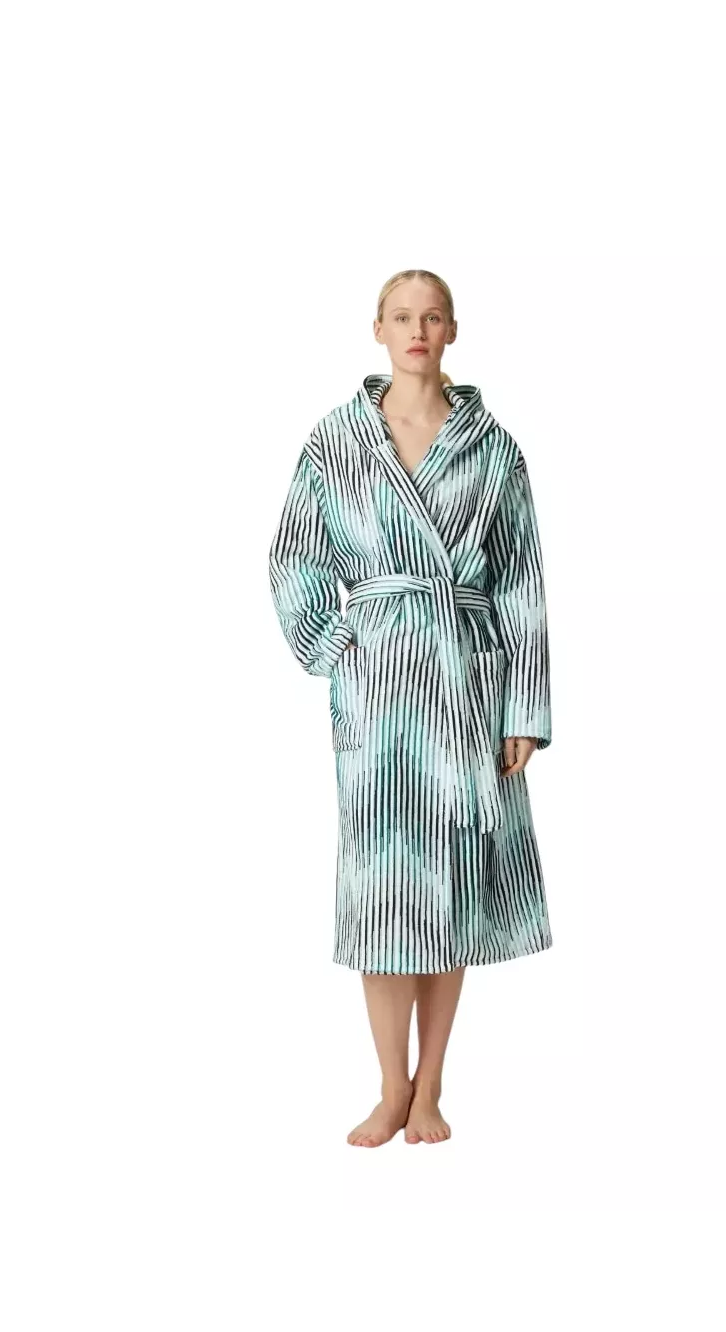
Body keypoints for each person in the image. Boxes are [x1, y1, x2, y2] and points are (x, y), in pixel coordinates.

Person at [269, 268, 552, 1147]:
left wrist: (524, 709)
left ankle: (431, 1087)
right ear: (379, 330)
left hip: (466, 686)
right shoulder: (336, 442)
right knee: (384, 888)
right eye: (402, 316)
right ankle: (390, 1085)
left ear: (452, 330)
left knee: (450, 886)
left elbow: (522, 581)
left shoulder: (494, 449)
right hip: (380, 688)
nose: (417, 329)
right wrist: (334, 647)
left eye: (432, 316)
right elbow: (292, 557)